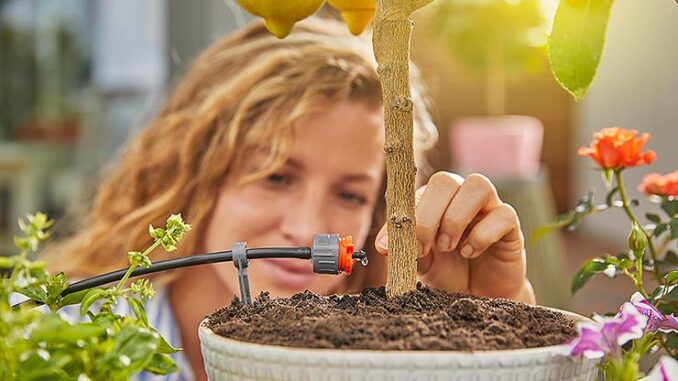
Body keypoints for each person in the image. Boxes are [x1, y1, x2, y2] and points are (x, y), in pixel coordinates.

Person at [44, 18, 535, 381]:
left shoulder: (378, 363)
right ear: (197, 173)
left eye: (349, 193)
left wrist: (494, 326)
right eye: (276, 177)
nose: (306, 229)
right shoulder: (61, 340)